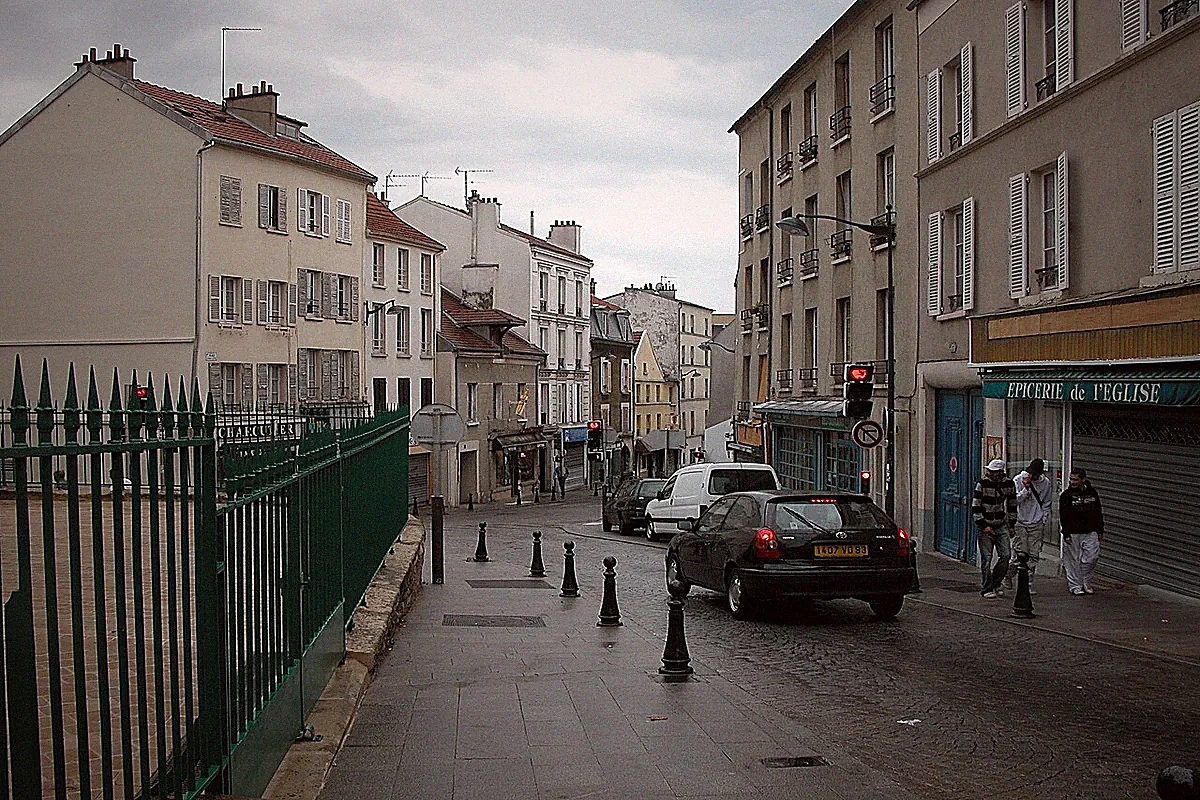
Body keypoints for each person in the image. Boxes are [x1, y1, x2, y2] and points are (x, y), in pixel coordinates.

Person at [1006, 458, 1052, 595]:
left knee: (1033, 555)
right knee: (1019, 554)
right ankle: (1008, 575)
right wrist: (1025, 489)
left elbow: (1047, 502)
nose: (1033, 477)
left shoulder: (1045, 483)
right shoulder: (1018, 480)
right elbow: (1015, 500)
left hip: (1036, 522)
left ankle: (1028, 583)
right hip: (1021, 521)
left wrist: (1044, 518)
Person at [972, 458, 1016, 599]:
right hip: (987, 524)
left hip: (1001, 524)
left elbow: (1012, 504)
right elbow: (976, 506)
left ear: (1000, 473)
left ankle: (996, 582)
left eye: (993, 471)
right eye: (989, 471)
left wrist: (1012, 524)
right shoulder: (982, 484)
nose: (990, 473)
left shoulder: (1009, 484)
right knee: (987, 558)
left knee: (1006, 555)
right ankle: (986, 588)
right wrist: (983, 525)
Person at [1060, 467, 1104, 596]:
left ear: (1083, 480)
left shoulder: (1092, 493)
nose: (1072, 482)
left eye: (1075, 479)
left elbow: (1098, 512)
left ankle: (1085, 580)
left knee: (1092, 557)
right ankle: (1075, 585)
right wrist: (1066, 533)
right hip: (1073, 532)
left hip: (1090, 531)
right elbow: (1063, 515)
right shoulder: (1066, 496)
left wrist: (1100, 529)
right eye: (1071, 479)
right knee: (1073, 561)